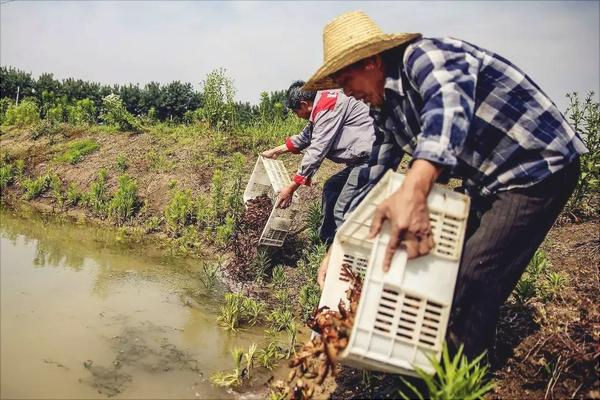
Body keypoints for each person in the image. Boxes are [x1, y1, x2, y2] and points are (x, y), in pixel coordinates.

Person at [304, 11, 587, 360]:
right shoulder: (385, 108)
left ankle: (458, 379)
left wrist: (414, 188)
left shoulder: (426, 57)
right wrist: (338, 247)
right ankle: (427, 356)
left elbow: (447, 110)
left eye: (346, 80)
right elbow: (374, 171)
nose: (346, 92)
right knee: (441, 267)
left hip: (536, 164)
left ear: (372, 61)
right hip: (485, 179)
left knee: (474, 275)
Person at [262, 80, 386, 245]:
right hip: (363, 159)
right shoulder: (323, 104)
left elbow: (317, 151)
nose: (296, 115)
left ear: (304, 104)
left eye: (295, 111)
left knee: (342, 207)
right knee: (331, 188)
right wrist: (275, 151)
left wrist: (291, 188)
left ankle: (345, 252)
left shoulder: (328, 107)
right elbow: (307, 136)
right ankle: (327, 243)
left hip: (373, 158)